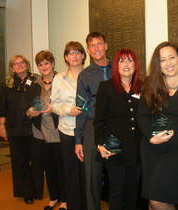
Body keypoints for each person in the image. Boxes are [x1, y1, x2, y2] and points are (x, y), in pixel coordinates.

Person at [137, 41, 178, 210]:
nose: (168, 63)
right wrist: (151, 137)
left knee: (159, 200)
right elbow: (142, 115)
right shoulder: (151, 83)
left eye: (172, 57)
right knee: (152, 200)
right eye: (163, 60)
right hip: (153, 150)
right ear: (158, 64)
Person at [95, 48, 143, 210]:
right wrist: (100, 144)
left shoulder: (143, 87)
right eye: (122, 60)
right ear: (116, 65)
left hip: (137, 150)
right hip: (114, 149)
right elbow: (99, 120)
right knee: (116, 192)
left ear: (135, 65)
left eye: (130, 60)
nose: (126, 64)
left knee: (132, 193)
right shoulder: (106, 87)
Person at [74, 31, 112, 210]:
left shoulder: (120, 67)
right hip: (92, 126)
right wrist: (78, 140)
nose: (96, 48)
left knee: (117, 172)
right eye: (92, 46)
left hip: (116, 125)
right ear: (88, 50)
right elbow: (81, 108)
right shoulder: (85, 75)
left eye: (99, 44)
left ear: (106, 46)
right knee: (92, 175)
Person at [26, 50, 67, 210]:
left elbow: (66, 104)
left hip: (57, 131)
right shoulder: (35, 84)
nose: (43, 67)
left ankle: (64, 200)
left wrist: (53, 109)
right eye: (40, 64)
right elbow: (28, 108)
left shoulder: (61, 80)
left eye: (46, 63)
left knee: (60, 167)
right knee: (48, 168)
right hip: (39, 132)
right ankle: (53, 198)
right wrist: (30, 112)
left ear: (53, 63)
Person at [0, 55, 40, 204]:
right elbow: (2, 106)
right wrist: (2, 125)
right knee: (19, 161)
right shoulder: (7, 84)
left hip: (34, 127)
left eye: (22, 62)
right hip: (14, 128)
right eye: (15, 64)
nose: (19, 65)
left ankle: (36, 190)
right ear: (12, 67)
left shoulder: (36, 80)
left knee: (35, 161)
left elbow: (41, 100)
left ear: (27, 64)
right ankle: (25, 192)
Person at [51, 41, 87, 210]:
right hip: (67, 130)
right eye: (70, 53)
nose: (74, 56)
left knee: (87, 172)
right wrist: (67, 110)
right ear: (66, 57)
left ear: (83, 56)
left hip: (87, 130)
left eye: (78, 52)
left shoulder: (90, 75)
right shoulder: (58, 78)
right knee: (71, 171)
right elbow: (54, 104)